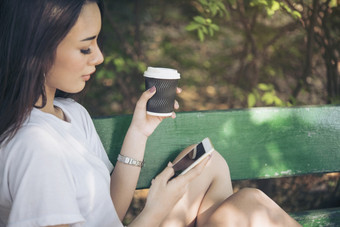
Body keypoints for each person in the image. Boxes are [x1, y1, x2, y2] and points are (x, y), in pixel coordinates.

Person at [0, 0, 301, 226]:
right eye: (85, 48)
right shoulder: (35, 148)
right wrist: (156, 209)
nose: (100, 56)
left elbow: (111, 212)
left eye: (97, 43)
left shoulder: (71, 114)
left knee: (209, 164)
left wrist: (139, 131)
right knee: (250, 204)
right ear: (36, 49)